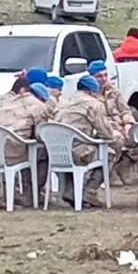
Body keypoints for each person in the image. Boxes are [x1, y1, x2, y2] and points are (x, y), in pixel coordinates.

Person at [52, 74, 118, 208]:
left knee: (74, 158)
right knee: (109, 154)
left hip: (57, 150)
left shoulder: (62, 102)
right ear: (92, 91)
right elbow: (106, 133)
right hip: (79, 151)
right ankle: (90, 191)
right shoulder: (93, 104)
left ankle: (70, 191)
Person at [0, 82, 52, 205]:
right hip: (14, 151)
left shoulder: (6, 103)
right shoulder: (37, 106)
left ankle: (13, 192)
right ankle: (31, 193)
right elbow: (40, 134)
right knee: (43, 153)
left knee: (29, 149)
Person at [88, 59, 137, 185]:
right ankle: (110, 171)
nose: (103, 79)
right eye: (99, 76)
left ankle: (124, 164)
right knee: (115, 139)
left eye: (105, 75)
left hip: (120, 124)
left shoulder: (113, 92)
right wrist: (109, 125)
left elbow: (125, 110)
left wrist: (127, 124)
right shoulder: (88, 94)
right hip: (103, 128)